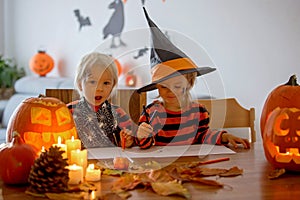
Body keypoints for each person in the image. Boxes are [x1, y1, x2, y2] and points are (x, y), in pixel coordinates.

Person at [135, 8, 250, 149]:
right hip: (162, 166)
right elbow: (144, 145)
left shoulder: (199, 112)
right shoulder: (152, 113)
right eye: (164, 86)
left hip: (192, 166)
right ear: (157, 86)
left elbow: (203, 136)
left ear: (189, 84)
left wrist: (225, 137)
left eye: (177, 86)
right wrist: (141, 135)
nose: (170, 92)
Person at [67, 52, 134, 149]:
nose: (99, 89)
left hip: (111, 162)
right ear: (80, 85)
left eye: (106, 83)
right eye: (93, 82)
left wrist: (127, 141)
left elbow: (129, 142)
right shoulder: (69, 112)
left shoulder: (118, 114)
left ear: (113, 86)